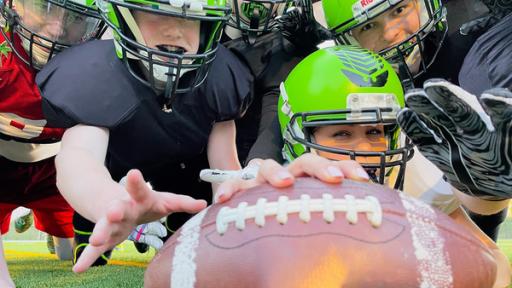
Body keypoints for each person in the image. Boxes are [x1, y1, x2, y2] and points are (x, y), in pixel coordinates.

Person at [202, 46, 511, 287]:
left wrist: (485, 202)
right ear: (299, 137)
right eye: (342, 133)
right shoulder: (275, 197)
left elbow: (496, 273)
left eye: (375, 132)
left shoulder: (419, 178)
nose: (363, 150)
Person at [36, 0, 253, 273]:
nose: (175, 32)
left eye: (190, 18)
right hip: (117, 167)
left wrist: (233, 224)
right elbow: (79, 157)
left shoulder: (221, 78)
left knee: (193, 215)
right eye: (156, 13)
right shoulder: (96, 73)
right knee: (92, 249)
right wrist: (106, 200)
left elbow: (225, 172)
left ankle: (183, 222)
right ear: (125, 17)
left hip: (182, 169)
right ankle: (87, 223)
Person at [0, 0, 105, 285]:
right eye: (42, 8)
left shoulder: (98, 65)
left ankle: (39, 217)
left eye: (73, 16)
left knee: (69, 251)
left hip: (53, 170)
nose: (57, 26)